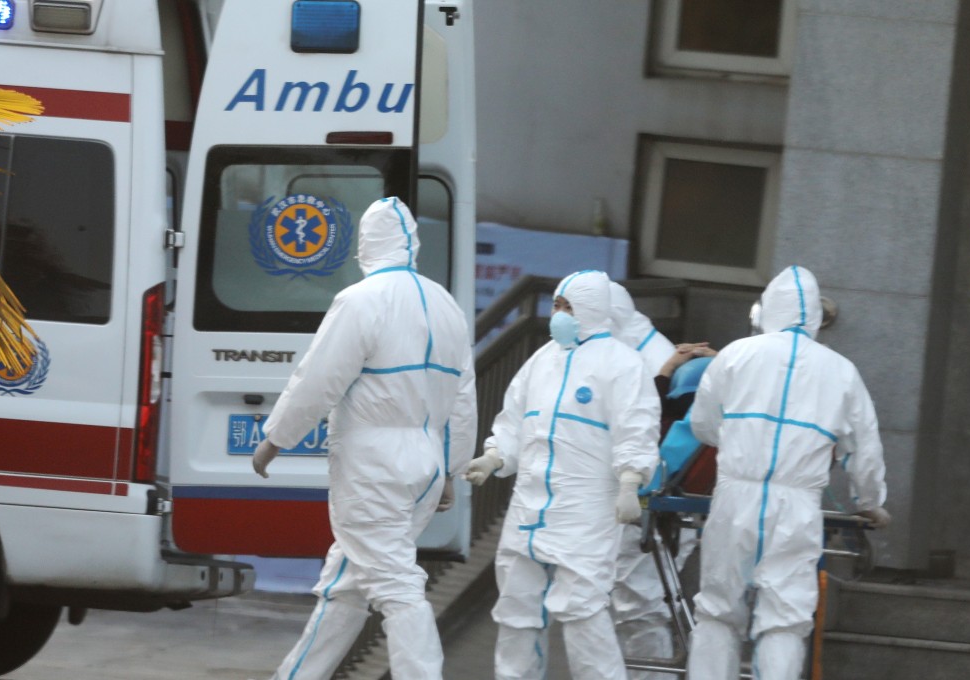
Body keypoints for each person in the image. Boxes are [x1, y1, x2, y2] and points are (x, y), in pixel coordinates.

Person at [250, 197, 477, 680]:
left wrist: (276, 437)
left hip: (374, 467)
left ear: (367, 244)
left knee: (396, 586)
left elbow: (318, 379)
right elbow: (463, 397)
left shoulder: (361, 300)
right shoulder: (446, 305)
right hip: (425, 463)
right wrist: (452, 469)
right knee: (345, 585)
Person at [685, 265, 890, 680]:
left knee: (718, 610)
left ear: (767, 310)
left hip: (735, 496)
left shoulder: (736, 354)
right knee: (784, 618)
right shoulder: (841, 370)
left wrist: (740, 441)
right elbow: (864, 447)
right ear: (815, 315)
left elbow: (702, 424)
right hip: (797, 506)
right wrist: (870, 502)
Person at [465, 270, 662, 680]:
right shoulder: (542, 359)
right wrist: (495, 456)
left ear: (591, 309)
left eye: (568, 306)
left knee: (582, 609)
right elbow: (515, 418)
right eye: (556, 304)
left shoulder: (622, 363)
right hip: (528, 503)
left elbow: (636, 428)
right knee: (517, 609)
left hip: (585, 508)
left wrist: (631, 480)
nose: (559, 314)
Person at [608, 283, 715, 676]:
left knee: (639, 605)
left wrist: (668, 371)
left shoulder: (684, 431)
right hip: (668, 510)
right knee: (638, 605)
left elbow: (653, 423)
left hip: (657, 511)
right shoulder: (696, 429)